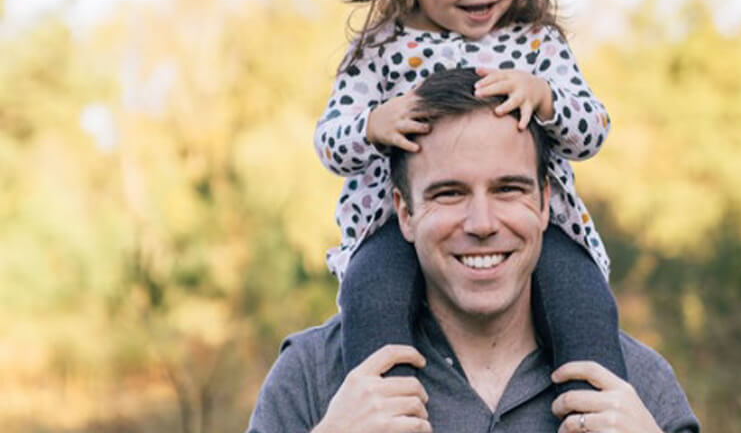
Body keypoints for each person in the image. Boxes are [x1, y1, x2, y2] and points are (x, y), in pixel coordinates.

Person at [313, 0, 624, 394]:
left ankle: (595, 409)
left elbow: (593, 128)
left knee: (581, 299)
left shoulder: (536, 45)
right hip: (398, 223)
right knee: (372, 295)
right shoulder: (381, 50)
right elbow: (329, 143)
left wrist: (547, 98)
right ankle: (388, 409)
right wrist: (372, 125)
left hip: (531, 222)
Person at [249, 68, 700, 432]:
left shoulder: (635, 384)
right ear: (404, 213)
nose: (482, 224)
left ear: (546, 203)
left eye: (508, 189)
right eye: (449, 193)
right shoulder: (312, 376)